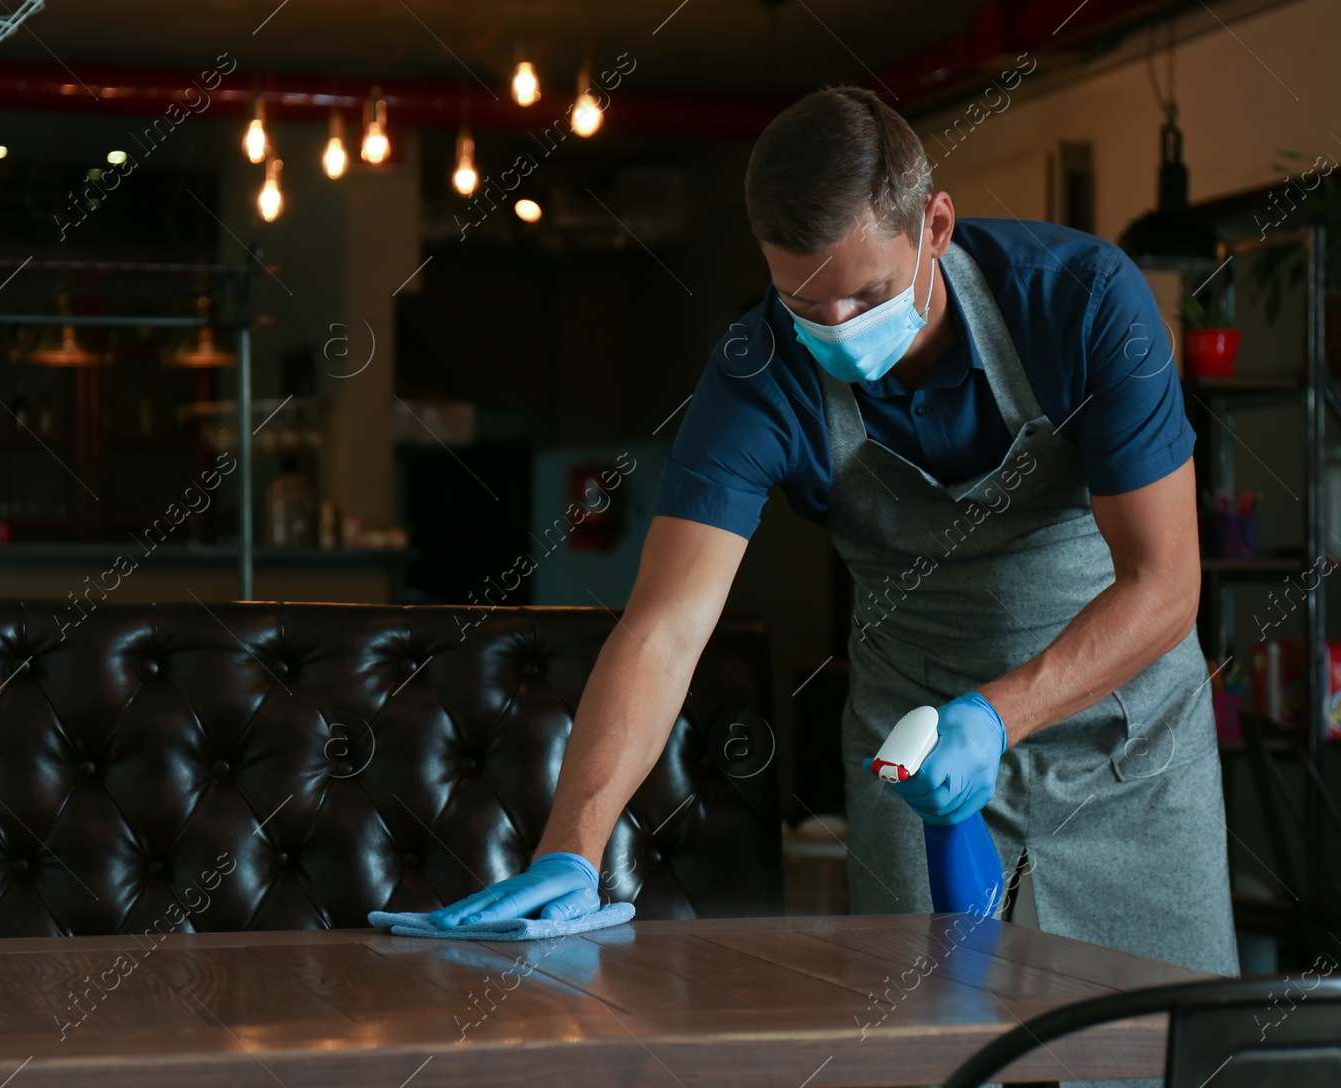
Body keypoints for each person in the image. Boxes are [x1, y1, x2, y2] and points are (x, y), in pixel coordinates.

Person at [427, 85, 1238, 983]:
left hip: (1124, 746)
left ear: (934, 225)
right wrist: (571, 848)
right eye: (805, 304)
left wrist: (997, 715)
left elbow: (1164, 584)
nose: (838, 330)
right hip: (915, 752)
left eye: (868, 294)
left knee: (1160, 1044)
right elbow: (664, 629)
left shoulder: (1081, 302)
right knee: (935, 1049)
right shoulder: (756, 375)